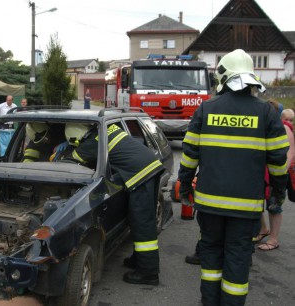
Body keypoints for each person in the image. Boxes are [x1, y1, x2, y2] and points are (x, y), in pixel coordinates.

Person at [178, 49, 289, 306]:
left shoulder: (206, 108)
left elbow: (189, 155)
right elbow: (278, 162)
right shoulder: (267, 113)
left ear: (223, 76)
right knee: (238, 261)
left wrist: (185, 185)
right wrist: (278, 192)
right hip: (246, 208)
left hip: (210, 206)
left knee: (211, 258)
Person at [65, 122, 165, 285]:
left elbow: (70, 162)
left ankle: (148, 273)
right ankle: (139, 260)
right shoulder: (104, 128)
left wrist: (60, 154)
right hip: (149, 167)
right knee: (140, 220)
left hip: (141, 175)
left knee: (143, 223)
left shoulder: (92, 142)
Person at [256, 107, 295, 251]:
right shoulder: (271, 126)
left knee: (274, 205)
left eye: (291, 120)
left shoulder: (285, 128)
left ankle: (273, 239)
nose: (288, 122)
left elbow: (291, 151)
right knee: (258, 202)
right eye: (286, 119)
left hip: (276, 173)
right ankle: (263, 230)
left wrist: (281, 171)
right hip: (266, 172)